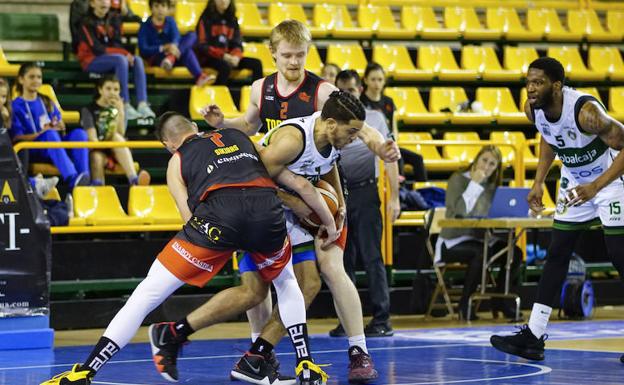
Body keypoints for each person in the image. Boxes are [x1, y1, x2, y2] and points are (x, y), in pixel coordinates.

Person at [39, 111, 333, 385]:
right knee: (286, 281)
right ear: (194, 127)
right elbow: (280, 175)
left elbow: (187, 215)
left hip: (219, 219)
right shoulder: (240, 137)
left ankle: (85, 371)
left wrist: (214, 242)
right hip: (266, 212)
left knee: (146, 294)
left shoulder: (177, 160)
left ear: (167, 143)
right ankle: (305, 364)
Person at [200, 20, 399, 382]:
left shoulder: (321, 90)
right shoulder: (261, 88)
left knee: (332, 267)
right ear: (273, 53)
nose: (294, 62)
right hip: (276, 188)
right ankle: (260, 353)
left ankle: (358, 350)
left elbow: (359, 125)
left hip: (319, 183)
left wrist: (379, 146)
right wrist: (221, 122)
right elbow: (249, 125)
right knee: (259, 276)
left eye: (301, 55)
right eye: (287, 55)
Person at [153, 90, 380, 384]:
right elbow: (258, 178)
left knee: (297, 285)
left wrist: (338, 204)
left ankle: (254, 355)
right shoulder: (292, 141)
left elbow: (329, 163)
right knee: (258, 292)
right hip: (258, 210)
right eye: (352, 132)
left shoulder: (330, 136)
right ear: (333, 124)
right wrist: (301, 205)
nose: (354, 138)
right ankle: (184, 334)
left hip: (273, 212)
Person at [490, 57, 624, 361]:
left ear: (557, 86)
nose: (531, 88)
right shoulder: (531, 108)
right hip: (575, 182)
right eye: (528, 81)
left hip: (611, 182)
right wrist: (538, 181)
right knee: (557, 252)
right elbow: (549, 137)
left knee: (619, 254)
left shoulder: (587, 113)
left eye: (538, 82)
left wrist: (596, 187)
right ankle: (534, 336)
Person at [330, 69, 400, 337]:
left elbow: (390, 155)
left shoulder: (374, 119)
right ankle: (348, 319)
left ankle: (382, 318)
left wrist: (393, 197)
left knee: (372, 257)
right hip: (338, 194)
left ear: (360, 90)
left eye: (352, 89)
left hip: (366, 192)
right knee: (342, 261)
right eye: (342, 90)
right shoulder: (330, 119)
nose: (348, 94)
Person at [437, 145, 523, 321]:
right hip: (452, 241)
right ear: (476, 160)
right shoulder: (457, 179)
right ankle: (464, 305)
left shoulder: (492, 187)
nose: (486, 167)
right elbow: (459, 212)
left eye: (492, 164)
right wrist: (474, 184)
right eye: (484, 160)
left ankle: (500, 300)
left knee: (514, 253)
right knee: (481, 252)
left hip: (480, 239)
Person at [9, 63, 90, 189]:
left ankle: (84, 176)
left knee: (79, 134)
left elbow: (58, 125)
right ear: (21, 79)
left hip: (54, 145)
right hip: (33, 149)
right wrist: (42, 134)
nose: (36, 80)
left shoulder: (46, 100)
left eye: (39, 77)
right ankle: (72, 178)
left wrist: (60, 126)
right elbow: (17, 138)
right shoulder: (15, 105)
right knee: (49, 134)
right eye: (31, 77)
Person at [76, 0, 155, 120]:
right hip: (90, 60)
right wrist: (124, 53)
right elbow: (97, 48)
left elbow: (117, 44)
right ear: (92, 3)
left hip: (111, 58)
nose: (104, 2)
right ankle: (125, 104)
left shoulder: (114, 19)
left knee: (137, 60)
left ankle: (142, 104)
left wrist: (125, 54)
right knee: (121, 59)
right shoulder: (85, 22)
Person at [360, 62, 428, 183]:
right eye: (373, 79)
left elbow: (393, 127)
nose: (377, 83)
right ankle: (399, 189)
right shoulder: (361, 101)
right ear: (365, 80)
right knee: (397, 158)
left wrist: (393, 143)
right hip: (371, 146)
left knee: (417, 159)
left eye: (380, 79)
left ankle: (424, 191)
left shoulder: (388, 102)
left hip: (388, 143)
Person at [80, 74, 151, 186]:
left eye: (116, 89)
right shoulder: (88, 110)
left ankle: (134, 179)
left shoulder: (117, 107)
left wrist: (120, 111)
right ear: (100, 90)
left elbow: (121, 132)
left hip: (115, 149)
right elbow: (93, 139)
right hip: (97, 148)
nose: (112, 92)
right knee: (96, 157)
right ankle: (98, 188)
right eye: (108, 89)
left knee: (117, 137)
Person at [138, 0, 213, 86]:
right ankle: (199, 75)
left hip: (172, 58)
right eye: (156, 6)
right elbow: (143, 49)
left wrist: (172, 48)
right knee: (186, 50)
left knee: (192, 35)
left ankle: (172, 59)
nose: (160, 9)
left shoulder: (170, 21)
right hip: (157, 57)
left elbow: (176, 37)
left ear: (167, 8)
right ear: (151, 8)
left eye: (163, 6)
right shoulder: (145, 25)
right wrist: (164, 47)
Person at [194, 0, 263, 86]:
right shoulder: (205, 18)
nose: (223, 1)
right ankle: (218, 96)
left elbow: (237, 43)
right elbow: (202, 45)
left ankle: (256, 96)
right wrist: (223, 56)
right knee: (225, 67)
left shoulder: (232, 19)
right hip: (208, 58)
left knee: (256, 64)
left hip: (228, 57)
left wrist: (236, 57)